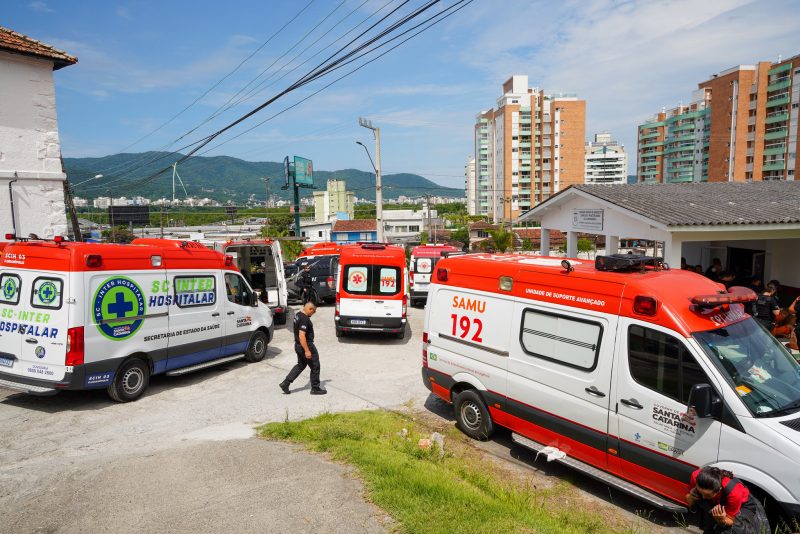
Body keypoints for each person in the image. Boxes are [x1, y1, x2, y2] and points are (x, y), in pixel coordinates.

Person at [686, 466, 769, 533]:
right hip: (719, 501)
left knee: (727, 530)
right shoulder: (696, 476)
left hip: (743, 505)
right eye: (701, 493)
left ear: (719, 490)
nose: (703, 497)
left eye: (707, 495)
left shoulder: (734, 493)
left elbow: (729, 520)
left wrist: (722, 520)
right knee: (709, 526)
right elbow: (689, 498)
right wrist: (690, 498)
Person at [279, 302, 326, 395]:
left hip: (298, 345)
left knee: (301, 365)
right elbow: (302, 335)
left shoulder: (298, 315)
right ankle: (315, 388)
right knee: (315, 366)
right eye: (314, 311)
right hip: (306, 345)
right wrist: (307, 350)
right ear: (310, 309)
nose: (314, 313)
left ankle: (285, 383)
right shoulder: (305, 319)